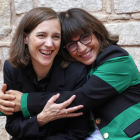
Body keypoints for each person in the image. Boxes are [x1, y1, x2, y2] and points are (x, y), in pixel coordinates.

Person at [1, 7, 140, 140]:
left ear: (97, 32)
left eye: (85, 37)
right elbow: (13, 122)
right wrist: (5, 104)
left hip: (127, 135)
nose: (81, 48)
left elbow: (82, 98)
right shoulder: (78, 66)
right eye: (71, 44)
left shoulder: (117, 59)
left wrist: (25, 101)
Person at [1, 7, 91, 140]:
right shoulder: (12, 68)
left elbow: (77, 133)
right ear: (25, 38)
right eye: (41, 35)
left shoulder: (76, 71)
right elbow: (13, 126)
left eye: (56, 37)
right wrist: (40, 119)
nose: (49, 44)